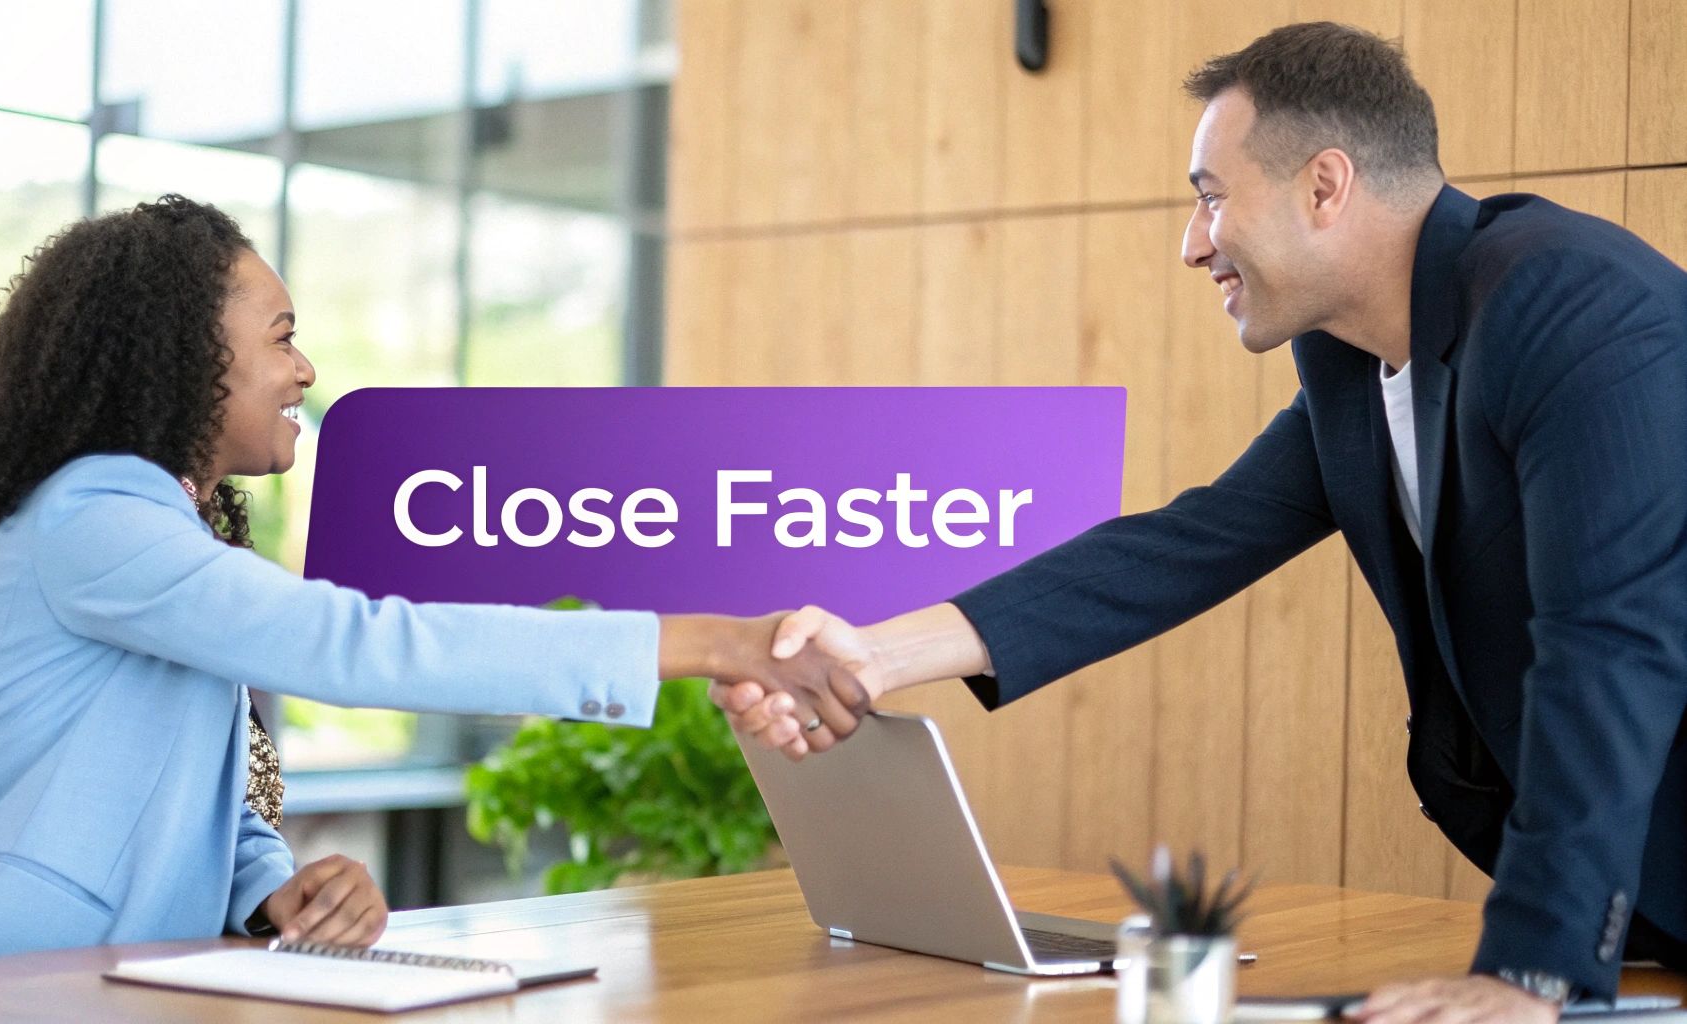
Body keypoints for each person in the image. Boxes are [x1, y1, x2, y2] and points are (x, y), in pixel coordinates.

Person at [717, 22, 1687, 1023]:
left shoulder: (1571, 305)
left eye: (1209, 197)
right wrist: (873, 657)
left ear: (1323, 186)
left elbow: (1609, 648)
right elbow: (1184, 543)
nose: (1191, 244)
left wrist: (1526, 969)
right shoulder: (1354, 362)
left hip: (1594, 912)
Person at [0, 195, 867, 964]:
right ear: (180, 360)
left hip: (107, 986)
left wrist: (268, 887)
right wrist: (711, 641)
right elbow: (351, 641)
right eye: (280, 336)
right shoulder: (94, 513)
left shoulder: (159, 529)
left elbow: (164, 781)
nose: (303, 370)